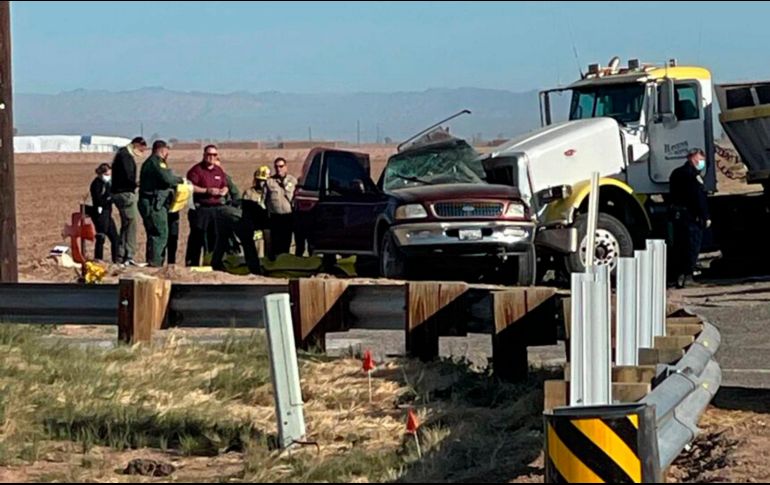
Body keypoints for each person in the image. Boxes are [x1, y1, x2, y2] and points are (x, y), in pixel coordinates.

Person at [669, 148, 711, 288]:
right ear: (693, 159)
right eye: (700, 160)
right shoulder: (692, 176)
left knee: (679, 246)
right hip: (691, 216)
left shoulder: (675, 173)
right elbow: (698, 198)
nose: (702, 163)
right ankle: (688, 276)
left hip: (678, 215)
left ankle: (678, 277)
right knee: (692, 247)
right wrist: (705, 216)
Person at [137, 140, 184, 267]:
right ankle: (156, 264)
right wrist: (180, 180)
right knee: (160, 233)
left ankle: (152, 261)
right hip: (153, 204)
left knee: (153, 234)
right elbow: (167, 179)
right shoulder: (156, 162)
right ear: (163, 150)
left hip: (149, 202)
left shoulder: (150, 162)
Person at [110, 136, 147, 266]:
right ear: (137, 145)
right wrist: (135, 184)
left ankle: (121, 255)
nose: (142, 152)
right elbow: (127, 175)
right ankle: (128, 255)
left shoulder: (121, 154)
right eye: (142, 149)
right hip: (125, 193)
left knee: (126, 224)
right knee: (131, 225)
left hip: (119, 192)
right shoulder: (125, 156)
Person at [265, 157, 298, 259]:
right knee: (275, 243)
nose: (278, 169)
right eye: (276, 167)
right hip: (275, 217)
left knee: (286, 242)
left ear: (286, 167)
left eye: (281, 166)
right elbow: (264, 199)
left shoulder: (293, 181)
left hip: (288, 217)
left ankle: (285, 260)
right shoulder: (270, 182)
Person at [89, 163, 119, 263]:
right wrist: (109, 197)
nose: (108, 177)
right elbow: (98, 200)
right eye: (106, 174)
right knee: (101, 236)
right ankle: (98, 258)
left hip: (107, 213)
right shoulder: (96, 184)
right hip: (100, 214)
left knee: (115, 238)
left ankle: (116, 260)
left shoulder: (108, 184)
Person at [242, 166, 271, 257]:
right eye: (260, 180)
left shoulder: (272, 193)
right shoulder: (249, 193)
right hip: (254, 226)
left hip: (268, 225)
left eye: (264, 181)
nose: (262, 183)